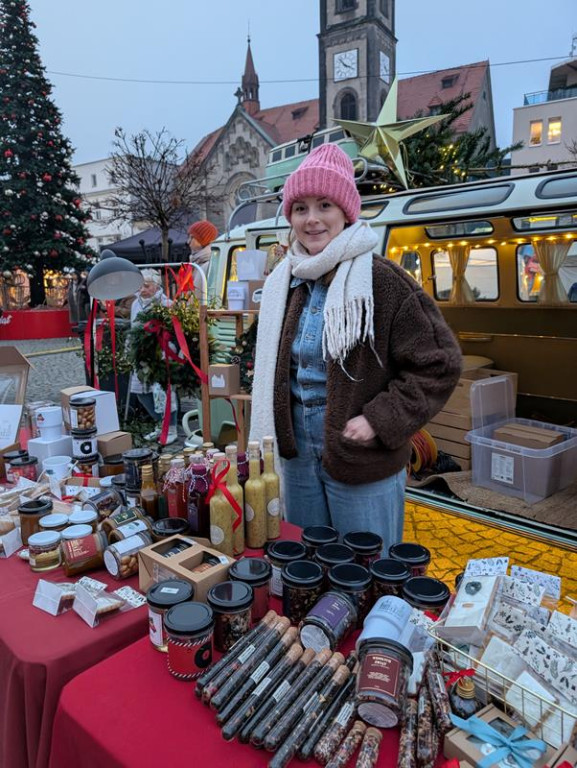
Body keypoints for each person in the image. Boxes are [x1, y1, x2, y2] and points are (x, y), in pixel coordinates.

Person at [249, 144, 462, 553]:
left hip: (362, 455)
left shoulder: (382, 282)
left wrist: (380, 419)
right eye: (300, 208)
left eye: (324, 204)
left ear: (346, 211)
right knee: (308, 559)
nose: (311, 219)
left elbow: (440, 364)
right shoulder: (286, 282)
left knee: (367, 568)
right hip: (296, 457)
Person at [130, 269, 178, 445]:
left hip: (161, 354)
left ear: (156, 286)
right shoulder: (136, 304)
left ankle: (170, 427)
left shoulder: (166, 304)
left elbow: (174, 331)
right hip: (140, 355)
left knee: (163, 393)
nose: (142, 289)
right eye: (140, 285)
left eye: (147, 285)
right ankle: (159, 423)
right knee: (140, 391)